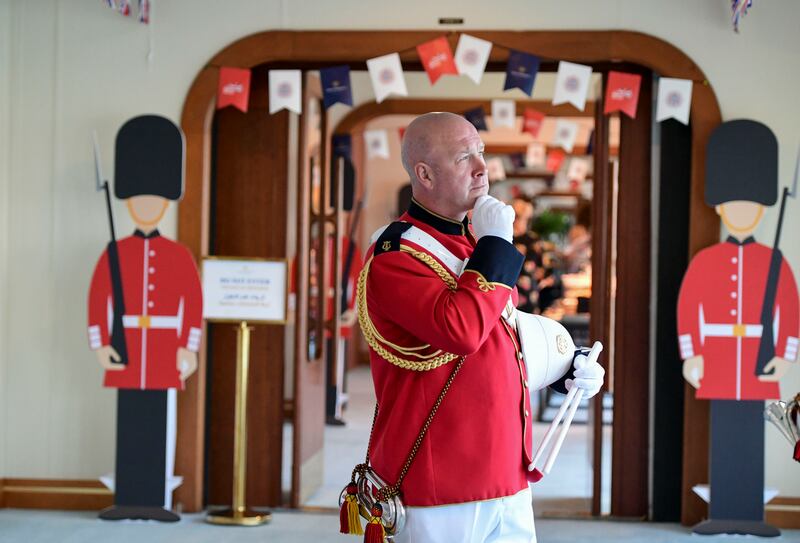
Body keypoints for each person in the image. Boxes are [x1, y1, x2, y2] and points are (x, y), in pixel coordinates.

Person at [357, 112, 604, 542]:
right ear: (425, 173)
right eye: (463, 157)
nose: (481, 167)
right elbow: (462, 331)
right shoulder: (395, 255)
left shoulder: (471, 242)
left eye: (481, 152)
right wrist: (495, 245)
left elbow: (501, 336)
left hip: (508, 471)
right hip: (440, 479)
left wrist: (566, 367)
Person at [677, 120, 798, 536]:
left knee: (752, 439)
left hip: (759, 357)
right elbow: (689, 308)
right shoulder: (706, 260)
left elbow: (790, 311)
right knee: (723, 437)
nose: (743, 215)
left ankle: (749, 516)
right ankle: (725, 512)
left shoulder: (775, 261)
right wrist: (691, 354)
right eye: (735, 207)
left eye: (750, 208)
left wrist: (784, 356)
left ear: (763, 208)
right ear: (721, 207)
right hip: (719, 358)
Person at [87, 115, 203, 521]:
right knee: (129, 425)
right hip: (127, 346)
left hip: (163, 350)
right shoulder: (114, 252)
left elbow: (193, 303)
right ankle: (128, 498)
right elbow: (97, 299)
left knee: (157, 425)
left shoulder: (177, 255)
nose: (148, 207)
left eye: (154, 201)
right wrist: (101, 343)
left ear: (166, 202)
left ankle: (154, 500)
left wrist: (187, 349)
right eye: (141, 201)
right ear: (130, 202)